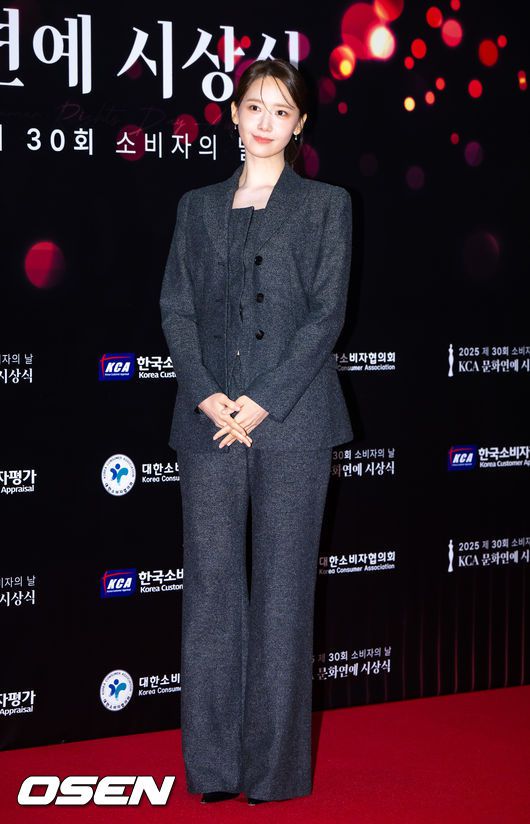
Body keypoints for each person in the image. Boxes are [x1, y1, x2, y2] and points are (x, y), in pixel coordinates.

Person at [160, 57, 354, 806]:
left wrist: (262, 402)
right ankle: (213, 769)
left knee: (282, 596)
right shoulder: (196, 206)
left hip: (295, 422)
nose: (265, 120)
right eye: (254, 106)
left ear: (299, 124)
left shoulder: (327, 205)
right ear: (234, 114)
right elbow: (176, 307)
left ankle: (273, 774)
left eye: (281, 109)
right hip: (206, 425)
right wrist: (209, 396)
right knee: (211, 594)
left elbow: (326, 315)